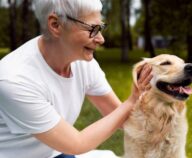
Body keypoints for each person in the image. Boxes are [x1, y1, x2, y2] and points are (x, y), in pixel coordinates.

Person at [0, 0, 152, 158]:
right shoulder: (14, 79)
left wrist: (164, 108)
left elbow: (118, 116)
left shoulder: (83, 62)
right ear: (56, 25)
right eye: (93, 29)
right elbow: (76, 144)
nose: (101, 39)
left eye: (100, 28)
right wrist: (131, 101)